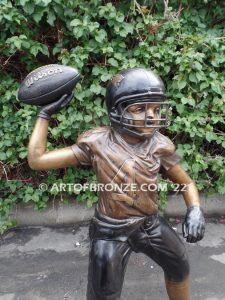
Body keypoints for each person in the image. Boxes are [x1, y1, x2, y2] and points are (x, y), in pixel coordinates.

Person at [28, 68, 205, 300]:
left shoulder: (160, 145)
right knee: (103, 294)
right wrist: (44, 116)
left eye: (155, 108)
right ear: (116, 110)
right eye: (140, 108)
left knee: (179, 267)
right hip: (110, 232)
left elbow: (187, 183)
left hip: (149, 225)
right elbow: (37, 160)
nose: (151, 116)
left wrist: (195, 208)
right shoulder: (97, 143)